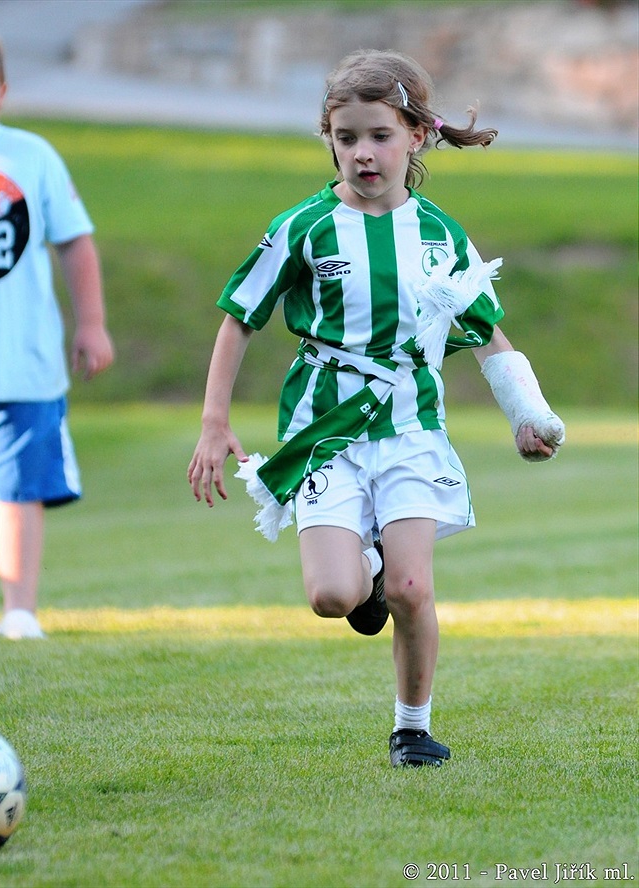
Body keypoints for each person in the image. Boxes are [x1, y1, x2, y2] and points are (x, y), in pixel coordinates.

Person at [188, 49, 564, 767]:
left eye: (380, 136)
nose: (363, 152)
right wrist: (214, 422)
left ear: (417, 135)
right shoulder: (304, 227)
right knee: (333, 596)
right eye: (347, 137)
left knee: (412, 587)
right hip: (323, 432)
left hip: (411, 427)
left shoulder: (441, 236)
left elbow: (486, 330)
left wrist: (527, 412)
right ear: (328, 139)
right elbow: (238, 317)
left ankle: (412, 730)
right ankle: (369, 569)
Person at [0, 28, 114, 640]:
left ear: (3, 93)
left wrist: (92, 325)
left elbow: (75, 242)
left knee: (17, 491)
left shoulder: (32, 156)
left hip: (24, 363)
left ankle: (19, 609)